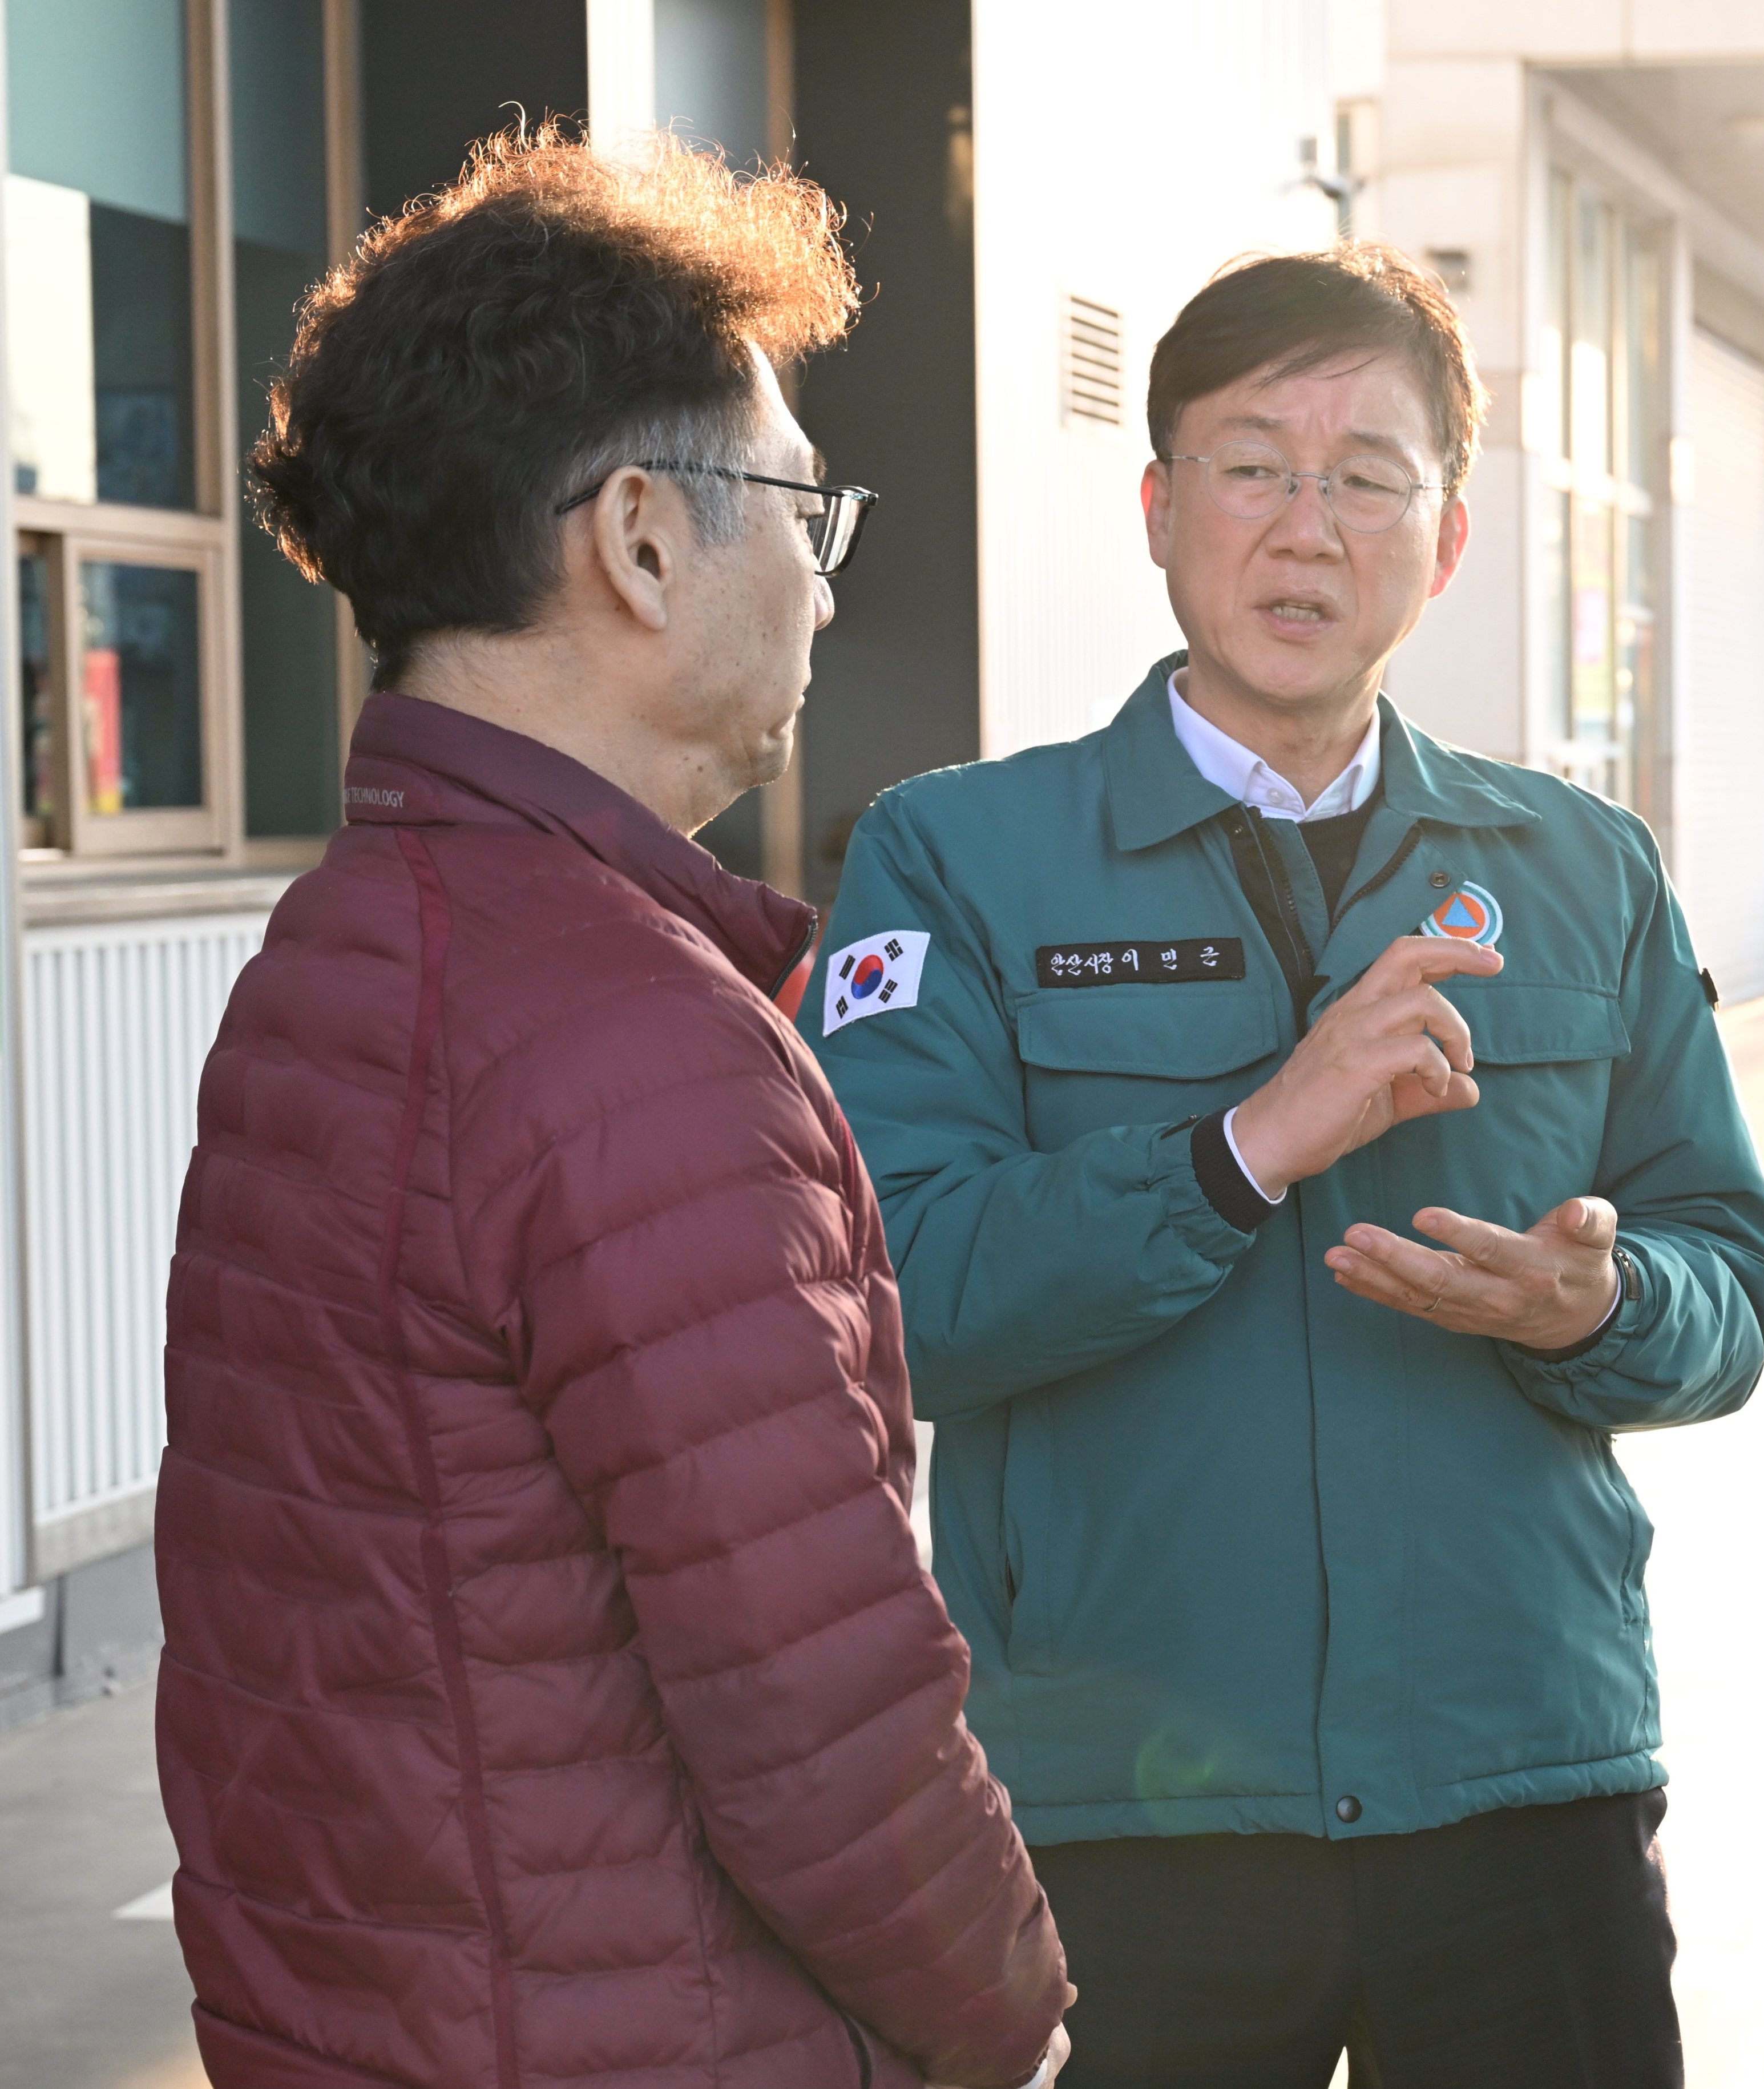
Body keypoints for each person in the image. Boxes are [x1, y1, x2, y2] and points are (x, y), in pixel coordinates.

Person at [801, 244, 1764, 2087]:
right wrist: (1247, 1146)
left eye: (1366, 477)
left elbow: (1729, 1278)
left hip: (1521, 1773)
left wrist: (1604, 1301)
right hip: (1131, 1811)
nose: (1305, 529)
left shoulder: (1583, 868)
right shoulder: (956, 857)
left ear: (1450, 537)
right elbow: (900, 1297)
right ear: (1161, 510)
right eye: (1253, 465)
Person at [159, 127, 1068, 2089]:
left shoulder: (338, 956)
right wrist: (1011, 2021)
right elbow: (826, 1721)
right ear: (643, 541)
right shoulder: (631, 1042)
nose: (825, 593)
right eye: (807, 516)